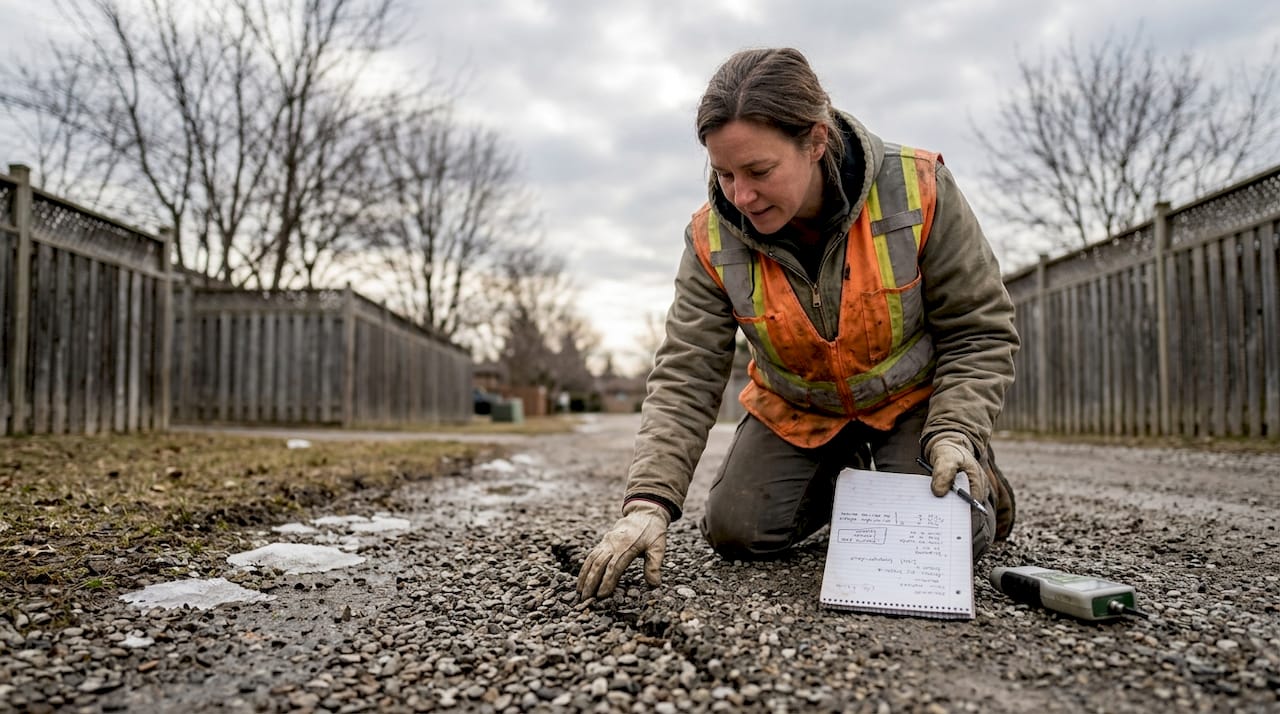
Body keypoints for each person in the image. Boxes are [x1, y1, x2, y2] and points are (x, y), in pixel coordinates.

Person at [577, 47, 1019, 601]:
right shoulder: (711, 236)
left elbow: (979, 330)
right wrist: (647, 504)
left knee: (944, 542)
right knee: (737, 530)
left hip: (912, 401)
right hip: (800, 412)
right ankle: (856, 478)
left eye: (759, 171)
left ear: (816, 140)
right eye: (724, 174)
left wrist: (956, 429)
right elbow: (686, 374)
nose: (740, 196)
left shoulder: (919, 189)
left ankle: (972, 473)